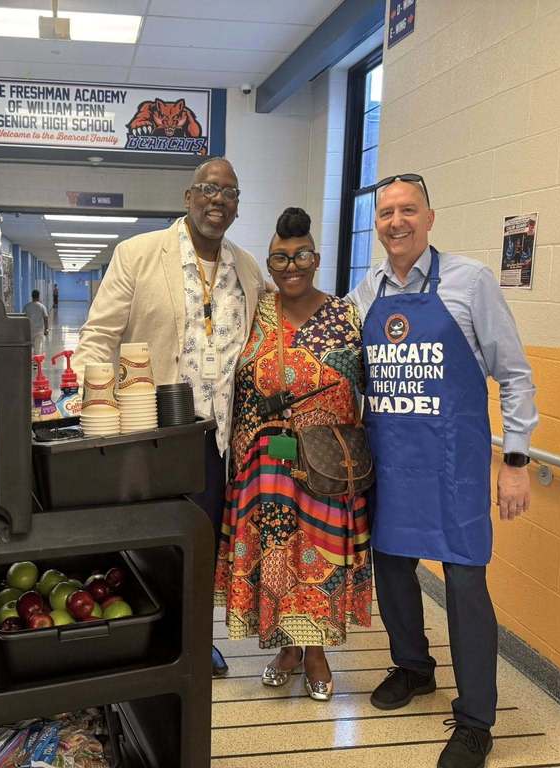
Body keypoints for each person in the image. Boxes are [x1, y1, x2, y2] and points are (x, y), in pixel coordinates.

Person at [348, 174, 538, 768]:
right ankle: (413, 667)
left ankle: (477, 720)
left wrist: (516, 460)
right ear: (377, 224)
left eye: (408, 210)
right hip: (390, 464)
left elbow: (514, 375)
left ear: (429, 218)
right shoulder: (364, 294)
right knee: (392, 572)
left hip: (454, 467)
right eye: (386, 213)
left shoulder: (470, 281)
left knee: (465, 587)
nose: (396, 221)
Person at [72, 157, 266, 677]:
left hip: (217, 439)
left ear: (237, 205)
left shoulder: (247, 269)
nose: (217, 200)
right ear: (188, 197)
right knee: (148, 541)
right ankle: (143, 640)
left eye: (229, 192)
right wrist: (96, 404)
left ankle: (195, 640)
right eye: (208, 188)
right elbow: (98, 336)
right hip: (152, 432)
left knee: (201, 543)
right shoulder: (138, 254)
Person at [213, 207, 372, 701]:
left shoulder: (347, 316)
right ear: (270, 264)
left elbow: (369, 388)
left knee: (319, 560)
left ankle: (317, 652)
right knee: (276, 556)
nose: (291, 266)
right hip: (266, 466)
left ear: (316, 259)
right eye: (280, 258)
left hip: (326, 466)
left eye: (301, 255)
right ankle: (286, 648)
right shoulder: (254, 313)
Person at [23, 289, 49, 355]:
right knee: (37, 349)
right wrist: (46, 329)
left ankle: (29, 359)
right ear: (38, 296)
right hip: (39, 331)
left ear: (32, 296)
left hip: (29, 331)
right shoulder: (42, 306)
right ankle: (36, 360)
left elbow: (23, 318)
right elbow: (46, 318)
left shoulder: (26, 306)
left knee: (29, 348)